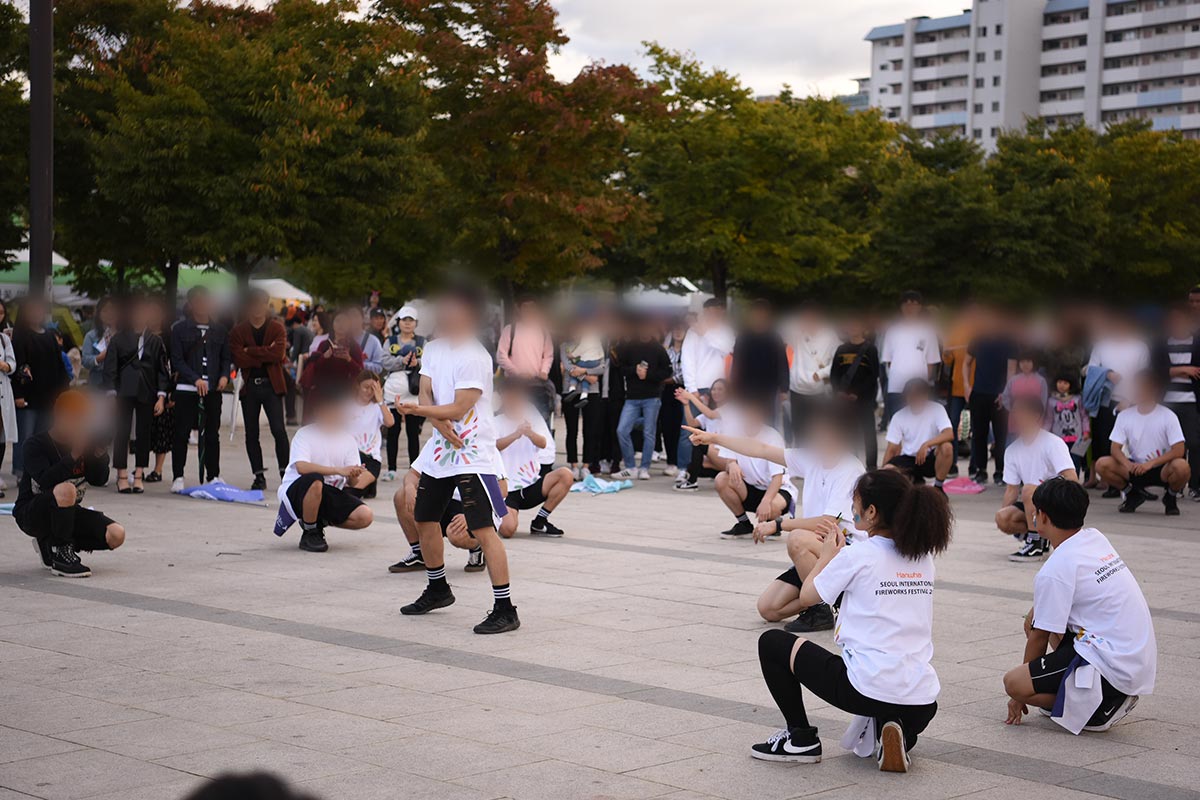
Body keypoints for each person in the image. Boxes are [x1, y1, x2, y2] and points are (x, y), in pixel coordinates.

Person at [751, 469, 950, 772]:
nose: (852, 509)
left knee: (772, 643)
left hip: (865, 689)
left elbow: (807, 596)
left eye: (855, 502)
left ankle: (800, 738)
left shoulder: (857, 555)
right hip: (923, 701)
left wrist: (827, 556)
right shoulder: (923, 558)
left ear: (871, 512)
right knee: (889, 685)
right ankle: (898, 732)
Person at [395, 286, 519, 635]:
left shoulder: (476, 355)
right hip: (440, 449)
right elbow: (426, 390)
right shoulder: (433, 348)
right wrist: (433, 418)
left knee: (483, 528)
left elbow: (461, 407)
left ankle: (505, 607)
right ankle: (438, 588)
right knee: (423, 516)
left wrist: (421, 411)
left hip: (473, 452)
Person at [687, 406, 865, 633]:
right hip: (819, 549)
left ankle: (820, 610)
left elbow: (828, 522)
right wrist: (712, 437)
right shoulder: (811, 457)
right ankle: (838, 598)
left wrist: (779, 524)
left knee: (798, 539)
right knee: (769, 609)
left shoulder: (849, 468)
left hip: (843, 550)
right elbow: (760, 449)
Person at [1002, 478, 1155, 733]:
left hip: (1112, 661)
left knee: (1014, 682)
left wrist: (1020, 696)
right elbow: (1038, 622)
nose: (1033, 515)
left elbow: (1038, 638)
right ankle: (1079, 694)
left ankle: (1101, 705)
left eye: (1035, 511)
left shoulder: (1057, 568)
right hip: (1130, 652)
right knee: (1034, 617)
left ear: (1043, 517)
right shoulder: (1092, 537)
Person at [15, 390, 125, 578]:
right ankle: (60, 555)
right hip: (32, 513)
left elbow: (99, 479)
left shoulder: (84, 442)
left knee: (116, 534)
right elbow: (45, 480)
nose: (78, 424)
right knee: (66, 489)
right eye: (74, 418)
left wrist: (98, 454)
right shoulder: (35, 445)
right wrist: (73, 454)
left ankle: (51, 543)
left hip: (66, 513)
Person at [275, 384, 375, 552]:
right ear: (318, 412)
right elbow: (302, 467)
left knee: (365, 516)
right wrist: (338, 470)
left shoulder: (348, 439)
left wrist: (354, 474)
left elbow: (353, 481)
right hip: (297, 491)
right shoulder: (305, 434)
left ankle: (318, 521)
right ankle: (310, 532)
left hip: (328, 492)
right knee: (315, 480)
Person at [995, 396, 1079, 562]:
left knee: (1029, 489)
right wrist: (1003, 515)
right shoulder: (1012, 450)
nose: (1016, 415)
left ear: (1035, 416)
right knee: (1003, 517)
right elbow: (1011, 489)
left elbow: (1072, 478)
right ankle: (1040, 536)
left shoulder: (1053, 443)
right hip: (1033, 505)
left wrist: (1068, 507)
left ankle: (1037, 545)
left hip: (1055, 501)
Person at [1095, 370, 1190, 515]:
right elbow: (1115, 448)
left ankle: (1170, 497)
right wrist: (1128, 464)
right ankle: (1133, 494)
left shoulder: (1168, 416)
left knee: (1182, 467)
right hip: (1134, 467)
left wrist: (1151, 464)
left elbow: (1179, 450)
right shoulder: (1125, 416)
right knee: (1102, 464)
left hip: (1161, 468)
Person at [103, 295, 170, 494]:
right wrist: (110, 396)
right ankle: (121, 475)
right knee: (122, 433)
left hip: (147, 391)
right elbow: (110, 368)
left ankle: (139, 473)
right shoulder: (118, 339)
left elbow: (162, 370)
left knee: (144, 434)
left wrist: (161, 396)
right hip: (123, 390)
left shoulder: (155, 340)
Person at [700, 400, 796, 539]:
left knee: (773, 505)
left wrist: (766, 501)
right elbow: (729, 458)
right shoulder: (735, 431)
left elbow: (777, 477)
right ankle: (744, 524)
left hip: (777, 489)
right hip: (750, 487)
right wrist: (732, 464)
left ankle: (773, 525)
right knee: (721, 479)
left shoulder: (772, 436)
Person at [170, 286, 231, 492]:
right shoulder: (179, 329)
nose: (202, 305)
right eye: (197, 301)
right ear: (191, 303)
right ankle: (178, 476)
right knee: (181, 433)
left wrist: (224, 376)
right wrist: (195, 379)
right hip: (187, 389)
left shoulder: (220, 330)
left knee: (212, 433)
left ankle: (213, 474)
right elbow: (176, 360)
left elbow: (226, 357)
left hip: (212, 389)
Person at [494, 380, 574, 538]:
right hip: (508, 488)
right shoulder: (496, 421)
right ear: (503, 398)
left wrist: (530, 433)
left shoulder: (530, 416)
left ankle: (540, 521)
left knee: (565, 474)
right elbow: (494, 446)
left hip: (532, 482)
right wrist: (515, 435)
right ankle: (496, 514)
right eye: (509, 397)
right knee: (508, 530)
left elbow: (543, 443)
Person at [230, 289, 290, 491]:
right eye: (254, 304)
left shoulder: (277, 328)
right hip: (250, 387)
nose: (257, 308)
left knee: (279, 430)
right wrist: (265, 351)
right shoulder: (239, 331)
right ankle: (258, 475)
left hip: (272, 385)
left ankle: (286, 473)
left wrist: (251, 351)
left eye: (261, 304)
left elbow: (278, 354)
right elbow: (239, 358)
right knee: (251, 433)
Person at [1087, 311, 1150, 491]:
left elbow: (1144, 375)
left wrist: (1131, 400)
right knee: (1108, 442)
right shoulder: (1101, 346)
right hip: (1107, 401)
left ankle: (1140, 482)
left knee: (1135, 444)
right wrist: (1106, 373)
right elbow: (1089, 369)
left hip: (1133, 402)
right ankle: (1114, 484)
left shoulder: (1140, 347)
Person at [11, 296, 70, 475]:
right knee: (25, 437)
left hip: (49, 397)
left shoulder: (50, 336)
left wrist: (64, 393)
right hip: (28, 398)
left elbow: (60, 367)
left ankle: (39, 472)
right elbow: (18, 366)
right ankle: (21, 471)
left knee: (45, 437)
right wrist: (18, 394)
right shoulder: (20, 337)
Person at [678, 298, 734, 480]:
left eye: (717, 311)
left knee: (721, 429)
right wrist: (691, 388)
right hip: (699, 387)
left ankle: (717, 466)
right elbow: (687, 360)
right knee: (690, 428)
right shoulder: (693, 332)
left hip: (721, 387)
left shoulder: (725, 331)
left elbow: (728, 348)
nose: (713, 315)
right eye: (710, 311)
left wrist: (707, 334)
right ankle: (684, 469)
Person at [613, 316, 672, 480]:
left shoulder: (658, 349)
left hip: (652, 397)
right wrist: (634, 370)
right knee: (622, 430)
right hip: (631, 396)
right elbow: (621, 367)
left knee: (649, 433)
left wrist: (648, 375)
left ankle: (644, 467)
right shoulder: (630, 347)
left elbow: (667, 371)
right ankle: (630, 467)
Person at [963, 307, 1017, 484]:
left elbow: (1011, 369)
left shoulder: (1008, 341)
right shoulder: (978, 338)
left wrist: (1006, 393)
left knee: (1001, 435)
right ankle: (981, 469)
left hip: (999, 395)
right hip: (979, 392)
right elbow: (967, 363)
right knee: (979, 433)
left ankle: (1000, 471)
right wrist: (966, 385)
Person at [1153, 304, 1200, 501]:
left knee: (1194, 443)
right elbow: (1156, 371)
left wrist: (1177, 370)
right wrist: (1182, 370)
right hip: (1166, 402)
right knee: (1170, 445)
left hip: (1191, 401)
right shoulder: (1161, 344)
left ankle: (1196, 485)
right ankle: (1173, 484)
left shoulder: (1197, 342)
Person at [880, 291, 941, 426]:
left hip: (919, 387)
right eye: (906, 304)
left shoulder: (928, 331)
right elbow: (888, 361)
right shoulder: (892, 331)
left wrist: (923, 384)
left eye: (914, 304)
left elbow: (931, 362)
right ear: (901, 307)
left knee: (918, 426)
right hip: (896, 386)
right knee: (897, 426)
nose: (910, 307)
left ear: (920, 307)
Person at [560, 315, 608, 480]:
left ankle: (587, 465)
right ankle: (573, 464)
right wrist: (587, 375)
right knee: (571, 430)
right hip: (570, 392)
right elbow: (568, 367)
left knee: (591, 430)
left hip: (592, 393)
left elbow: (602, 367)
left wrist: (584, 371)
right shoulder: (564, 346)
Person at [882, 379, 954, 489]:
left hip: (930, 457)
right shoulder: (899, 416)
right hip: (909, 458)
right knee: (888, 469)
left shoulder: (937, 409)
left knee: (947, 447)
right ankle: (914, 480)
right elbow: (891, 449)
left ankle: (938, 487)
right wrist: (881, 476)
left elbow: (949, 434)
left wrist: (927, 444)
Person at [381, 305, 426, 479]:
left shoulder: (423, 342)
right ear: (399, 322)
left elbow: (429, 362)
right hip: (394, 390)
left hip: (414, 390)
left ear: (416, 323)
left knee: (413, 432)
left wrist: (417, 363)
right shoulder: (390, 341)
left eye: (411, 320)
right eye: (404, 320)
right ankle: (391, 468)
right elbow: (385, 362)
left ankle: (414, 469)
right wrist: (402, 360)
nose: (407, 324)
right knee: (393, 429)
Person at [830, 317, 880, 469]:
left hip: (863, 400)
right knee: (847, 433)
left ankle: (871, 466)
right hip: (844, 400)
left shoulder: (870, 349)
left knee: (868, 434)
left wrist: (858, 393)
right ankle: (850, 463)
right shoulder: (841, 349)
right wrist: (839, 392)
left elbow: (873, 375)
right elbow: (834, 374)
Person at [496, 295, 555, 424]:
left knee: (539, 422)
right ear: (519, 309)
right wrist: (517, 372)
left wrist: (544, 371)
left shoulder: (543, 331)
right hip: (514, 384)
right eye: (525, 307)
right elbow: (501, 356)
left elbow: (548, 355)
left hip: (538, 385)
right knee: (512, 421)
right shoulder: (510, 330)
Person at [731, 298, 789, 425]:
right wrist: (734, 388)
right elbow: (736, 364)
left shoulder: (775, 337)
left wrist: (784, 388)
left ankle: (766, 444)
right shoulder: (743, 337)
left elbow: (782, 363)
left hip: (768, 388)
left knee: (768, 422)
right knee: (747, 422)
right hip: (746, 388)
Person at [787, 302, 839, 441]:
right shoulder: (797, 333)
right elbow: (782, 334)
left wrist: (822, 373)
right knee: (798, 430)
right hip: (797, 389)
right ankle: (798, 460)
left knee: (817, 429)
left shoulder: (830, 335)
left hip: (819, 390)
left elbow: (837, 360)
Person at [674, 378, 731, 491]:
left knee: (700, 443)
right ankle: (720, 476)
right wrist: (686, 405)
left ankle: (691, 482)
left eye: (720, 389)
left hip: (729, 456)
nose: (716, 392)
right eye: (714, 389)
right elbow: (692, 423)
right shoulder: (709, 411)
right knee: (693, 465)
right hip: (716, 454)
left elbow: (710, 414)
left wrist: (691, 397)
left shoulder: (729, 408)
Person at [347, 370, 394, 500]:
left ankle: (369, 483)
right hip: (351, 457)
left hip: (371, 459)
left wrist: (380, 400)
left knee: (353, 492)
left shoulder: (377, 407)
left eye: (372, 388)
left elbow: (390, 422)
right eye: (366, 387)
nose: (369, 391)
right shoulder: (347, 405)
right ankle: (369, 486)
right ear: (358, 386)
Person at [1048, 374, 1090, 480]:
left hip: (1077, 436)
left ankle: (1074, 482)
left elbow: (1084, 416)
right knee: (1060, 461)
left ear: (1071, 385)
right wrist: (1046, 433)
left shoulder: (1077, 399)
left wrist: (1086, 431)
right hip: (1058, 437)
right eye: (1060, 382)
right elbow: (1049, 419)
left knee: (1075, 460)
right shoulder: (1051, 401)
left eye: (1065, 383)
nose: (1062, 385)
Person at [80, 296, 116, 388]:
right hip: (98, 384)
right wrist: (99, 358)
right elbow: (85, 360)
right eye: (105, 311)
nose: (109, 314)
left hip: (118, 386)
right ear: (99, 314)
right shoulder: (91, 336)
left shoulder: (123, 335)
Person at [0, 324, 15, 490]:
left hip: (2, 393)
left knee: (1, 438)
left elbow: (12, 364)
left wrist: (5, 365)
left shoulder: (4, 339)